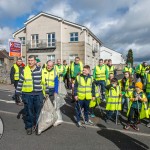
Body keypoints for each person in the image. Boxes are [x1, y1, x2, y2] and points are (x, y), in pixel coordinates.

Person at [16, 55, 44, 135]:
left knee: (38, 112)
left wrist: (47, 93)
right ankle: (29, 127)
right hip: (27, 94)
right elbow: (20, 82)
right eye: (29, 60)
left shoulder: (40, 70)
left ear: (35, 61)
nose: (30, 62)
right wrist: (17, 93)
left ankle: (37, 126)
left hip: (38, 94)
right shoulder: (25, 70)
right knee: (28, 111)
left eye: (32, 60)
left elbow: (44, 82)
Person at [42, 60, 63, 126]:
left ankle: (51, 118)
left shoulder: (54, 72)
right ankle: (44, 118)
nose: (49, 67)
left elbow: (56, 82)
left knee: (51, 105)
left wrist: (56, 92)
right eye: (48, 65)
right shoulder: (42, 70)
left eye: (51, 66)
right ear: (46, 64)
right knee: (44, 105)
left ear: (53, 66)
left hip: (51, 90)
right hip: (43, 90)